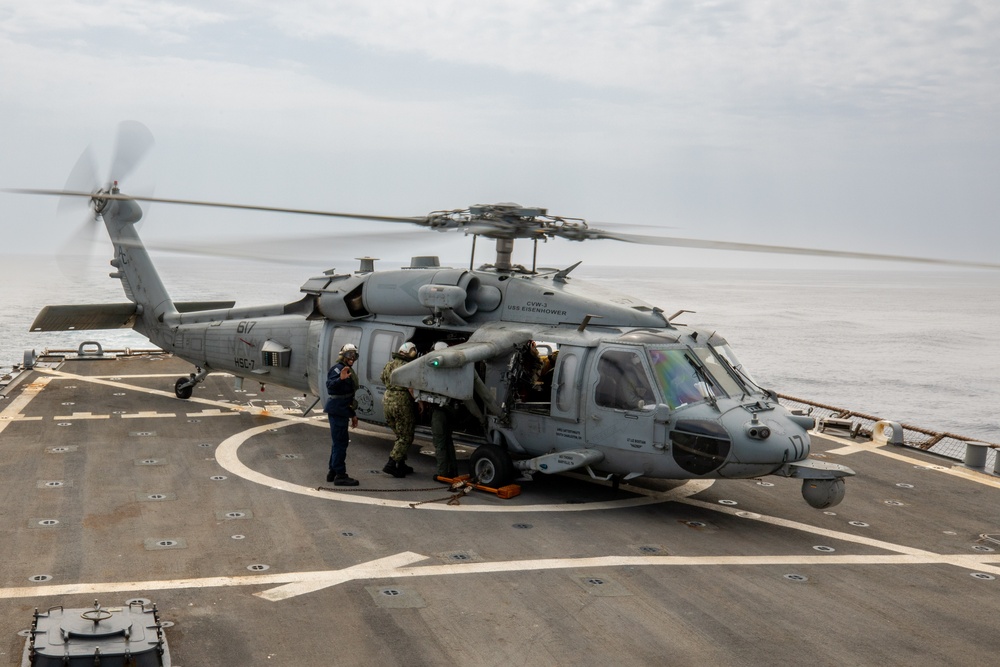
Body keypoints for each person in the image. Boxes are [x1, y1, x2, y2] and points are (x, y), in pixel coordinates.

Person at [381, 341, 419, 478]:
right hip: (401, 403)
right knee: (406, 436)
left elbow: (382, 378)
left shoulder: (389, 365)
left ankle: (401, 464)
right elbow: (411, 387)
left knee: (399, 434)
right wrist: (419, 402)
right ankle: (391, 464)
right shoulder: (408, 367)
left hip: (387, 400)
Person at [324, 343, 360, 486]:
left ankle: (332, 472)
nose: (352, 358)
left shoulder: (347, 369)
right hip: (337, 410)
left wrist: (353, 414)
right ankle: (340, 475)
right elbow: (330, 386)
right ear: (343, 356)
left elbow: (348, 395)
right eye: (349, 355)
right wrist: (341, 379)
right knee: (340, 443)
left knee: (337, 443)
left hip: (342, 409)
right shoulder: (338, 369)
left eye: (354, 355)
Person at [428, 341, 458, 479]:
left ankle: (442, 473)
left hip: (439, 412)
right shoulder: (452, 369)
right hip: (450, 410)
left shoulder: (435, 370)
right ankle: (453, 470)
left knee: (439, 443)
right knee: (448, 441)